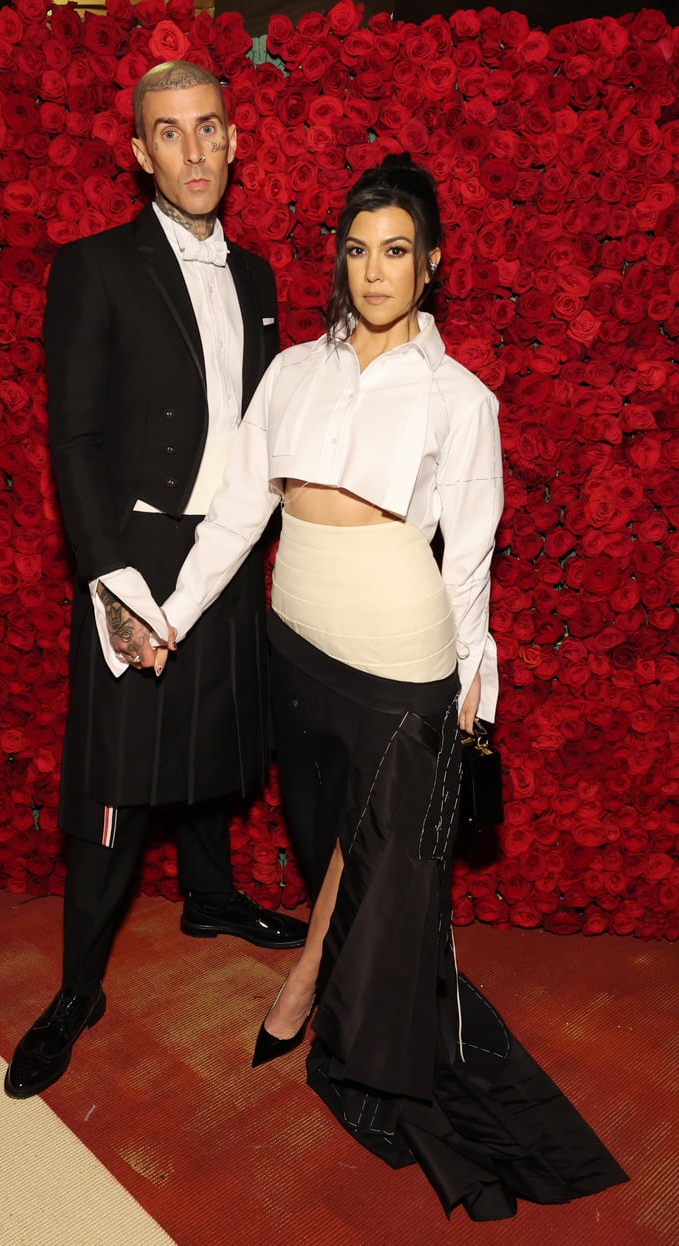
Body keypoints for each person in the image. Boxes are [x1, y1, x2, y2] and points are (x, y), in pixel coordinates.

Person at [151, 156, 628, 1219]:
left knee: (384, 849)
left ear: (433, 265)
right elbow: (237, 512)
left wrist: (474, 681)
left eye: (397, 250)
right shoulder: (291, 373)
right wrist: (173, 617)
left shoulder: (460, 399)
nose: (375, 270)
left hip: (403, 644)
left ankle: (311, 981)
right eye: (359, 249)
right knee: (331, 836)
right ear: (342, 260)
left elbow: (471, 556)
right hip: (297, 634)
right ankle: (321, 966)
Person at [4, 61, 307, 1101]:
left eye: (209, 128)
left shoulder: (261, 278)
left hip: (230, 545)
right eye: (168, 133)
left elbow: (263, 432)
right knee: (117, 778)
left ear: (233, 139)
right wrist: (115, 583)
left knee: (219, 739)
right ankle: (76, 988)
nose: (192, 150)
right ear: (138, 153)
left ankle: (211, 898)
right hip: (137, 555)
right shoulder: (92, 267)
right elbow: (74, 439)